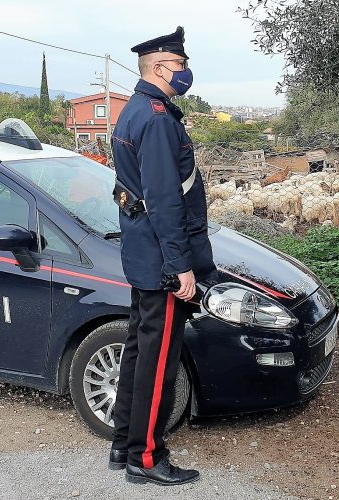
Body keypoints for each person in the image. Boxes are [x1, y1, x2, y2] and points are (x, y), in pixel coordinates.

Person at [108, 26, 216, 486]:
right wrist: (180, 266)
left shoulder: (137, 111)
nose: (186, 71)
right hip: (162, 260)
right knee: (158, 361)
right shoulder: (155, 119)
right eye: (179, 64)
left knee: (138, 349)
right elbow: (164, 200)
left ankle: (122, 443)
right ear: (158, 67)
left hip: (144, 254)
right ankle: (146, 458)